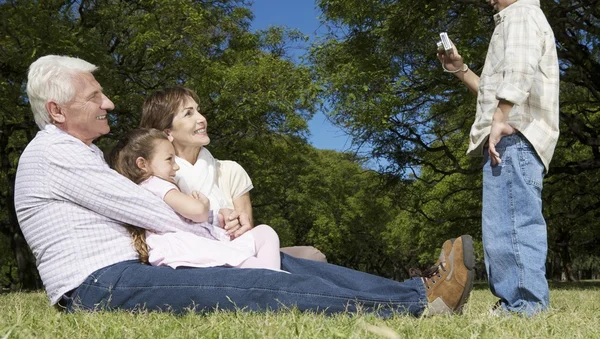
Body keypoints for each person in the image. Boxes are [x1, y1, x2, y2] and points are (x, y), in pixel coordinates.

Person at [15, 54, 475, 317]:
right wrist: (214, 221)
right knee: (252, 285)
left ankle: (417, 291)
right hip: (98, 285)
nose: (108, 102)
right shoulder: (53, 153)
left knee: (281, 262)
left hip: (127, 272)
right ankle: (415, 303)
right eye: (95, 95)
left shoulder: (80, 153)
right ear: (57, 110)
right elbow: (146, 209)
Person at [438, 0, 559, 315]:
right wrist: (461, 71)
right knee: (508, 221)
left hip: (513, 136)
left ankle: (524, 306)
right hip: (515, 133)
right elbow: (498, 89)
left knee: (512, 225)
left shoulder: (519, 13)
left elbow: (519, 70)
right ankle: (521, 302)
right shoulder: (523, 18)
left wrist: (502, 118)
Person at [139, 86, 328, 263]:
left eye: (198, 110)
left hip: (238, 253)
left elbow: (248, 235)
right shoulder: (155, 179)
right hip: (189, 259)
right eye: (189, 113)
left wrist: (238, 223)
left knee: (311, 256)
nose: (202, 118)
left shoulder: (230, 170)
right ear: (167, 132)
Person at [110, 127, 282, 271]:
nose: (175, 166)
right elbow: (198, 213)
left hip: (189, 246)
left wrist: (219, 214)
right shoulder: (156, 184)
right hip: (190, 246)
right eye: (169, 159)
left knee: (262, 235)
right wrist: (204, 204)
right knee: (260, 240)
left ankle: (272, 276)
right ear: (142, 164)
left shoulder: (147, 187)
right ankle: (274, 280)